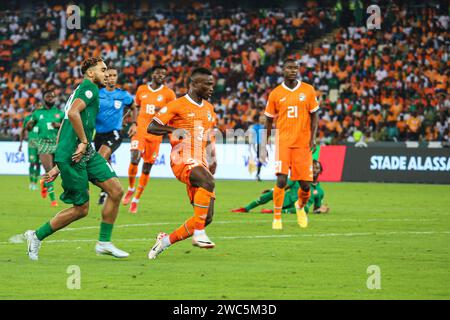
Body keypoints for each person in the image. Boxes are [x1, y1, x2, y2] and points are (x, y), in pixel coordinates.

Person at [23, 57, 128, 261]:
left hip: (84, 151)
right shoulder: (89, 88)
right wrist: (81, 142)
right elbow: (72, 114)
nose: (107, 74)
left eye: (108, 71)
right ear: (90, 73)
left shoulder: (82, 90)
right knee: (82, 209)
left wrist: (56, 166)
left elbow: (64, 122)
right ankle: (36, 236)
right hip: (75, 154)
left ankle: (104, 243)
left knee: (115, 191)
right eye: (103, 70)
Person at [146, 67, 217, 259]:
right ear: (194, 84)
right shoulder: (177, 105)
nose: (212, 87)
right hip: (182, 157)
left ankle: (165, 241)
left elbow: (209, 137)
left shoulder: (209, 109)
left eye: (212, 83)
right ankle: (199, 235)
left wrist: (213, 158)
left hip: (200, 159)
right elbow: (152, 126)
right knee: (208, 183)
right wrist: (174, 131)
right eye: (207, 84)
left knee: (205, 217)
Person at [264, 59, 319, 230]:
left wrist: (313, 137)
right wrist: (265, 141)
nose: (293, 70)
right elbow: (268, 119)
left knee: (305, 185)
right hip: (284, 142)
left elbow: (315, 115)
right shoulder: (275, 93)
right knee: (281, 179)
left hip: (303, 143)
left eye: (296, 68)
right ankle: (277, 218)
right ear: (283, 70)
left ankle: (300, 206)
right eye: (289, 68)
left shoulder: (308, 90)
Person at [122, 65, 176, 213]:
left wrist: (172, 134)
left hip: (156, 134)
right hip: (140, 129)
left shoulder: (169, 94)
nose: (161, 76)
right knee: (134, 157)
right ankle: (131, 188)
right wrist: (129, 120)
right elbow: (136, 107)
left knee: (147, 167)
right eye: (158, 73)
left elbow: (173, 113)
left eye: (163, 74)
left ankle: (136, 200)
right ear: (152, 74)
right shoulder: (141, 89)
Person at [94, 67, 138, 205]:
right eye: (109, 75)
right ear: (104, 78)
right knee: (105, 162)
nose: (112, 78)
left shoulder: (123, 95)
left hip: (115, 133)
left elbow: (134, 107)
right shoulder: (97, 93)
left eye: (114, 75)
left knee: (101, 158)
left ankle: (112, 189)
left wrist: (134, 123)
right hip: (98, 134)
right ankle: (106, 190)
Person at [231, 160, 329, 214]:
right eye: (312, 168)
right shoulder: (299, 179)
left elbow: (316, 208)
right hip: (284, 200)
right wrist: (272, 190)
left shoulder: (320, 191)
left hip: (296, 207)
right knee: (273, 193)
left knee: (305, 209)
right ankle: (246, 208)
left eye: (317, 168)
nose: (314, 170)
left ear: (320, 171)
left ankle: (274, 211)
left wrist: (321, 210)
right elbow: (285, 185)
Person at [27, 90, 64, 206]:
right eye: (48, 97)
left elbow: (66, 128)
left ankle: (43, 182)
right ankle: (53, 200)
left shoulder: (60, 113)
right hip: (43, 144)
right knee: (48, 171)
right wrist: (29, 125)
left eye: (52, 97)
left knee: (56, 173)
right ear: (43, 99)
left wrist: (59, 125)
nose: (50, 98)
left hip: (57, 144)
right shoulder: (37, 113)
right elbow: (29, 128)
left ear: (55, 99)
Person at [19, 109, 41, 191]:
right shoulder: (28, 118)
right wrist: (20, 144)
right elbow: (23, 130)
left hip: (41, 144)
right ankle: (31, 183)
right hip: (32, 144)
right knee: (32, 163)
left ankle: (35, 183)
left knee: (38, 164)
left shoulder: (42, 118)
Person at [249, 115, 266, 181]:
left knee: (261, 160)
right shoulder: (256, 126)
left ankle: (257, 174)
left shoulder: (265, 127)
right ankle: (257, 175)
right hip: (258, 144)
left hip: (262, 145)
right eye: (262, 119)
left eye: (264, 119)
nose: (263, 120)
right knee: (259, 159)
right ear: (259, 120)